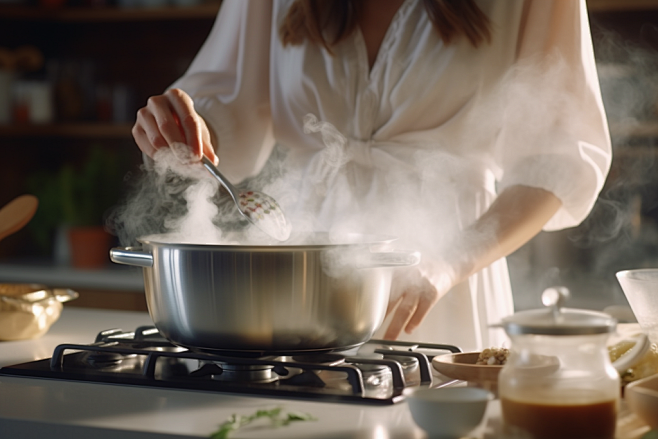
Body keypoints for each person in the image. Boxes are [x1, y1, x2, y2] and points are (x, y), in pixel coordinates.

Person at [132, 0, 611, 352]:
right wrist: (181, 126)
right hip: (303, 277)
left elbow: (559, 159)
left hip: (444, 274)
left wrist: (446, 264)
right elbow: (228, 106)